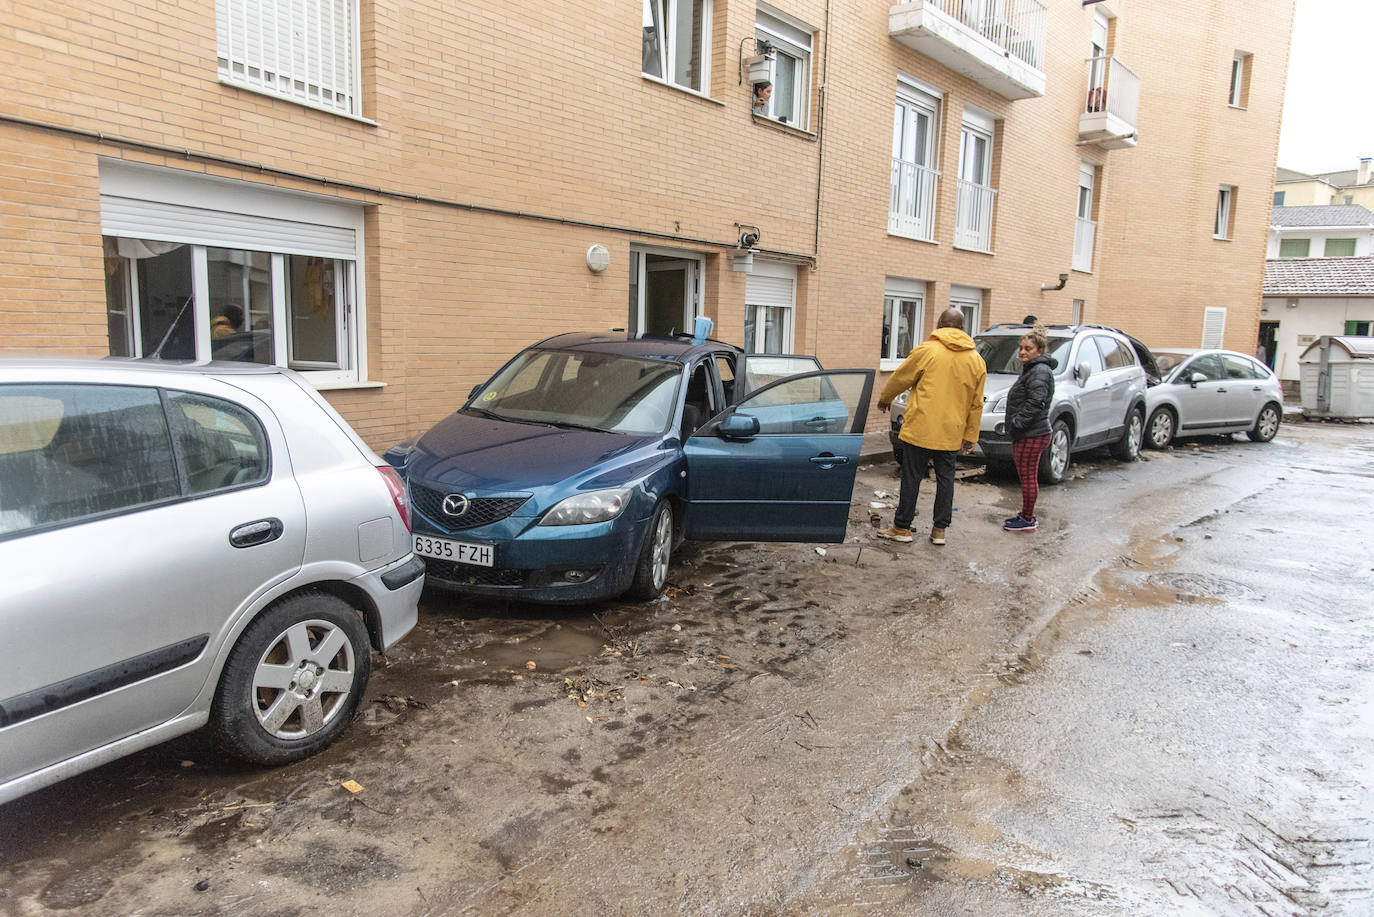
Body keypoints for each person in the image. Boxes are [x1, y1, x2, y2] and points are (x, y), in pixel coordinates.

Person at [876, 307, 987, 546]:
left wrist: (885, 398)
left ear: (939, 324)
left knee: (912, 477)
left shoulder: (928, 350)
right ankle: (939, 531)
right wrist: (970, 435)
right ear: (962, 328)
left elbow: (901, 377)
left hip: (921, 429)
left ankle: (902, 527)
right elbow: (976, 403)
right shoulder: (976, 360)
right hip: (951, 432)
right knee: (946, 479)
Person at [1003, 324, 1056, 534]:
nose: (1023, 352)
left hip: (1032, 433)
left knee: (1028, 477)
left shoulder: (1040, 371)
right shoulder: (1034, 369)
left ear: (1040, 351)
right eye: (1021, 348)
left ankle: (1027, 519)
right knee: (1028, 475)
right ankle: (1026, 514)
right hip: (1031, 432)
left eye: (1028, 348)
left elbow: (1036, 402)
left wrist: (1018, 423)